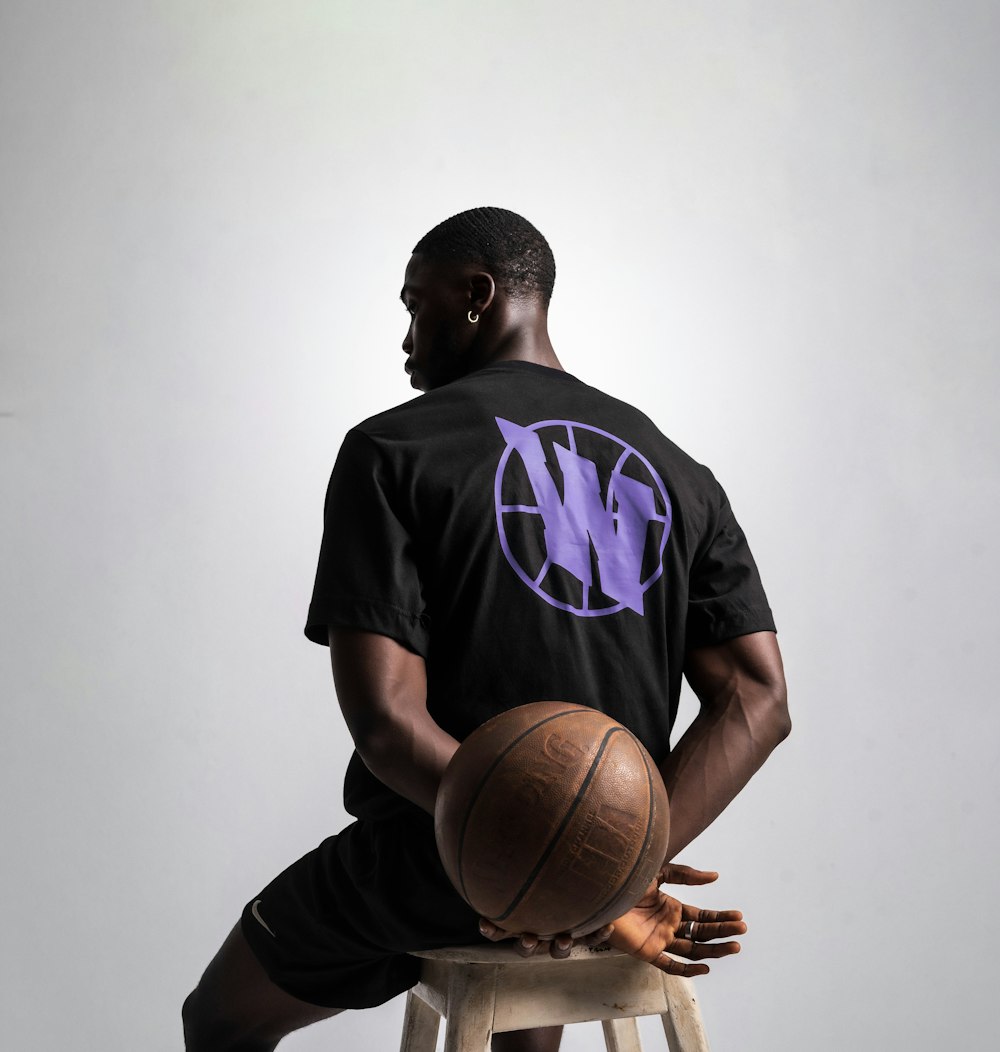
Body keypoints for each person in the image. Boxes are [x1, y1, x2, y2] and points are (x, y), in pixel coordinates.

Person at [182, 207, 791, 1052]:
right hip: (592, 889)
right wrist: (608, 870)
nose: (406, 336)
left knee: (216, 1020)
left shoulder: (392, 450)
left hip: (431, 860)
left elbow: (388, 722)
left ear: (477, 294)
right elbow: (757, 700)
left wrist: (545, 862)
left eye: (414, 304)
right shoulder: (681, 472)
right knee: (529, 988)